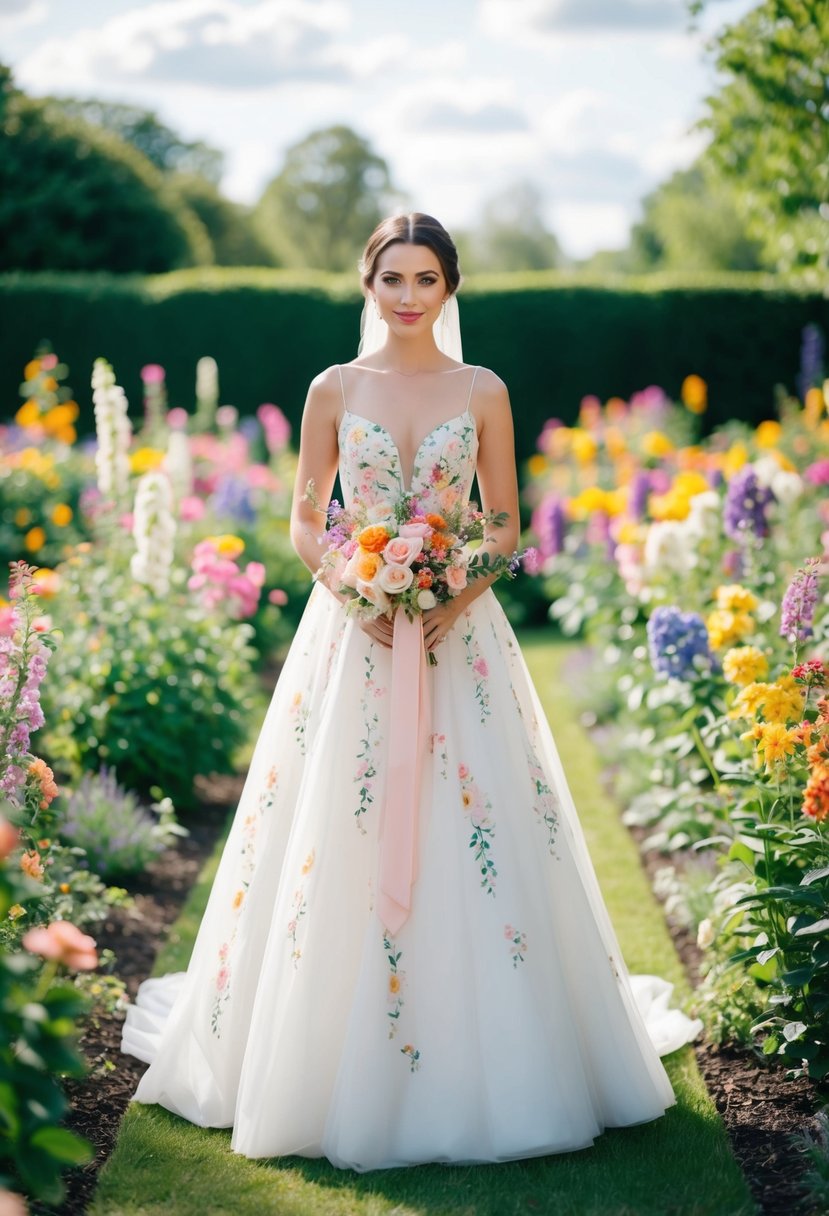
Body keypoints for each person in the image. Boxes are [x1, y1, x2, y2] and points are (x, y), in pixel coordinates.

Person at [121, 212, 701, 1171]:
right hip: (351, 633)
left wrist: (446, 596)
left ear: (448, 287)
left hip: (451, 635)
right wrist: (353, 585)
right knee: (330, 827)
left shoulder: (481, 390)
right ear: (367, 283)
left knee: (472, 825)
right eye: (391, 278)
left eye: (424, 280)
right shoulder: (331, 388)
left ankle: (498, 1056)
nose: (405, 297)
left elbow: (504, 523)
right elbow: (308, 518)